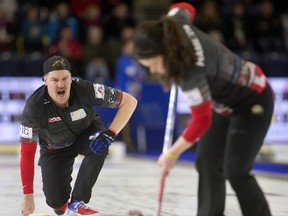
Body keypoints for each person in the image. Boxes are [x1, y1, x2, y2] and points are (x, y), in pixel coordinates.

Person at [133, 2, 274, 216]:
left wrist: (172, 154)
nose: (153, 70)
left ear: (167, 52)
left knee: (235, 170)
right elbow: (184, 6)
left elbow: (201, 120)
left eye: (154, 64)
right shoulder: (173, 25)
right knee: (206, 162)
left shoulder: (192, 71)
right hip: (223, 103)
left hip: (252, 99)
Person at [20, 55, 137, 216]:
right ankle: (63, 203)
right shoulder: (34, 107)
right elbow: (26, 153)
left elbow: (130, 102)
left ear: (71, 78)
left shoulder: (86, 89)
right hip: (54, 147)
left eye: (65, 78)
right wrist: (28, 196)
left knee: (100, 144)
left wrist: (111, 134)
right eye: (55, 80)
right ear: (45, 80)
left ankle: (77, 202)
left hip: (86, 134)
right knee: (57, 205)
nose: (61, 84)